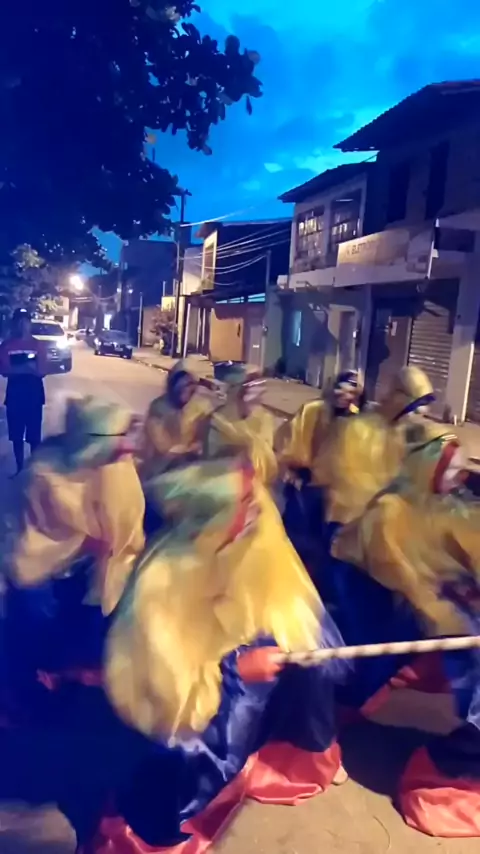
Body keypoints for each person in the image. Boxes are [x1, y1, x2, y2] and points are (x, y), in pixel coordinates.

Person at [79, 451, 349, 853]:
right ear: (210, 520)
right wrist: (237, 671)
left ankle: (282, 753)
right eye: (244, 502)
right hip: (186, 710)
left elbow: (272, 592)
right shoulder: (162, 587)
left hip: (234, 668)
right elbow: (172, 702)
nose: (258, 506)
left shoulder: (246, 534)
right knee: (182, 767)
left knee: (305, 672)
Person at [330, 406, 480, 837]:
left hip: (423, 599)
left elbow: (458, 551)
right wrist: (449, 606)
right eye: (450, 466)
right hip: (378, 600)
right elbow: (401, 572)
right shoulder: (390, 509)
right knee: (368, 672)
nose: (459, 475)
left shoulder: (443, 504)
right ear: (426, 465)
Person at [4, 395, 145, 709]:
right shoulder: (46, 476)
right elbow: (60, 531)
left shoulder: (110, 464)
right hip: (37, 569)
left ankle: (62, 682)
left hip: (83, 570)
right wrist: (94, 543)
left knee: (75, 633)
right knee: (34, 636)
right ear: (93, 442)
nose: (127, 445)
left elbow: (123, 514)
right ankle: (29, 695)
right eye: (119, 437)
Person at [279, 369, 366, 591]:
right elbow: (289, 440)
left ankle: (320, 590)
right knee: (299, 541)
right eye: (340, 388)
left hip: (336, 496)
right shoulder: (312, 411)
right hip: (306, 488)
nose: (343, 395)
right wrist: (296, 471)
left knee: (327, 548)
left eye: (351, 392)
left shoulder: (356, 420)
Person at [0, 308, 47, 474]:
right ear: (14, 323)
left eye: (25, 321)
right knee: (16, 436)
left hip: (34, 396)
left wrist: (18, 368)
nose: (22, 324)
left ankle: (34, 471)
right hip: (15, 396)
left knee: (34, 437)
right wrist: (28, 367)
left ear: (29, 323)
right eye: (19, 321)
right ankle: (20, 468)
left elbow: (42, 370)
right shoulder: (6, 345)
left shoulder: (38, 345)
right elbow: (5, 370)